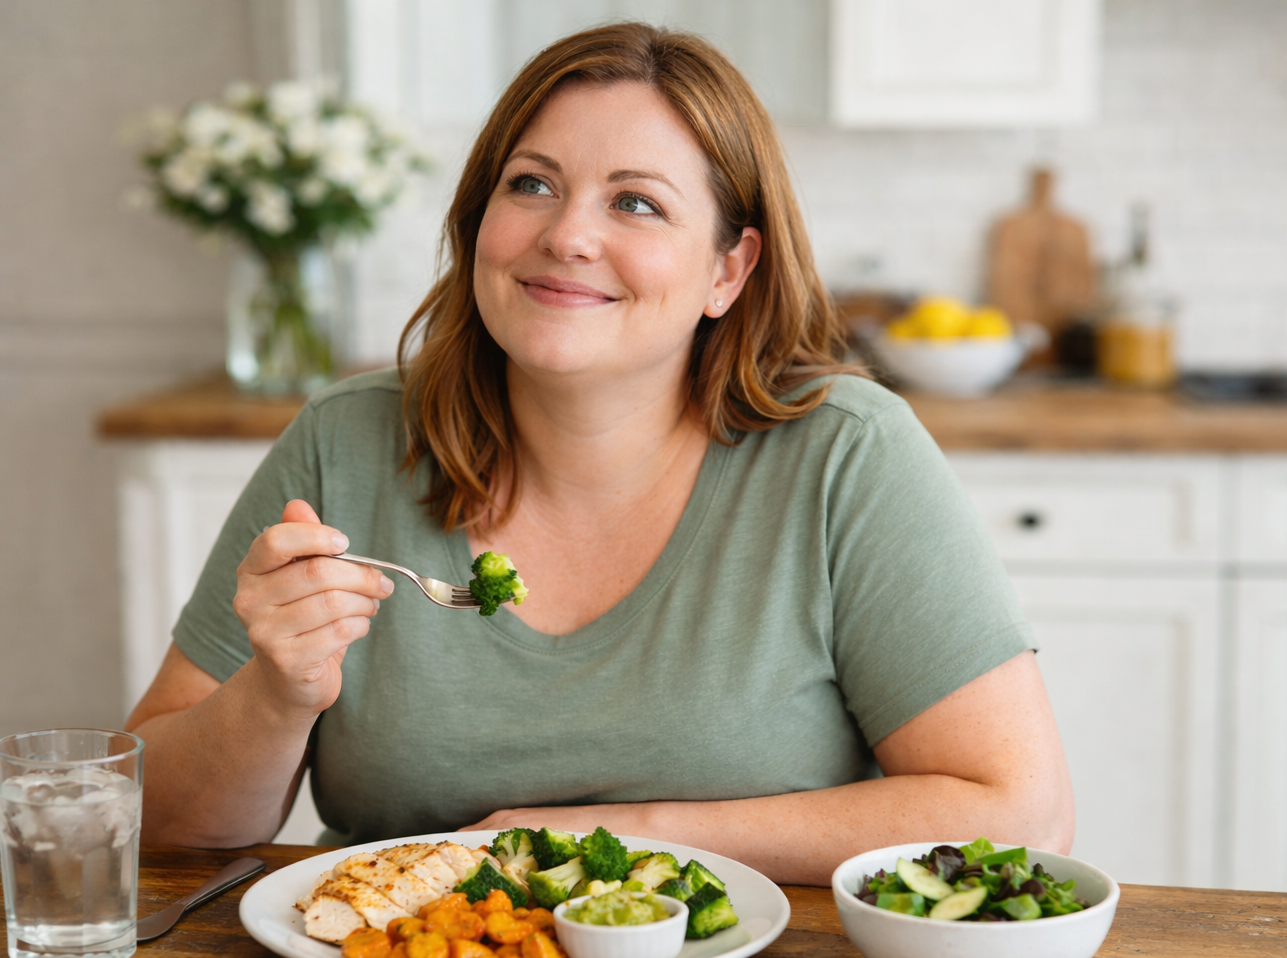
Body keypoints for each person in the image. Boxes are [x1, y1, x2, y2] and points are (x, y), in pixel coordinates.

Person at [125, 23, 1073, 886]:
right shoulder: (347, 442)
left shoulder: (843, 455)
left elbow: (1020, 813)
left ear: (727, 269)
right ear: (477, 221)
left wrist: (617, 836)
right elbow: (156, 830)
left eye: (637, 204)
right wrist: (277, 695)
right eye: (530, 184)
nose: (567, 235)